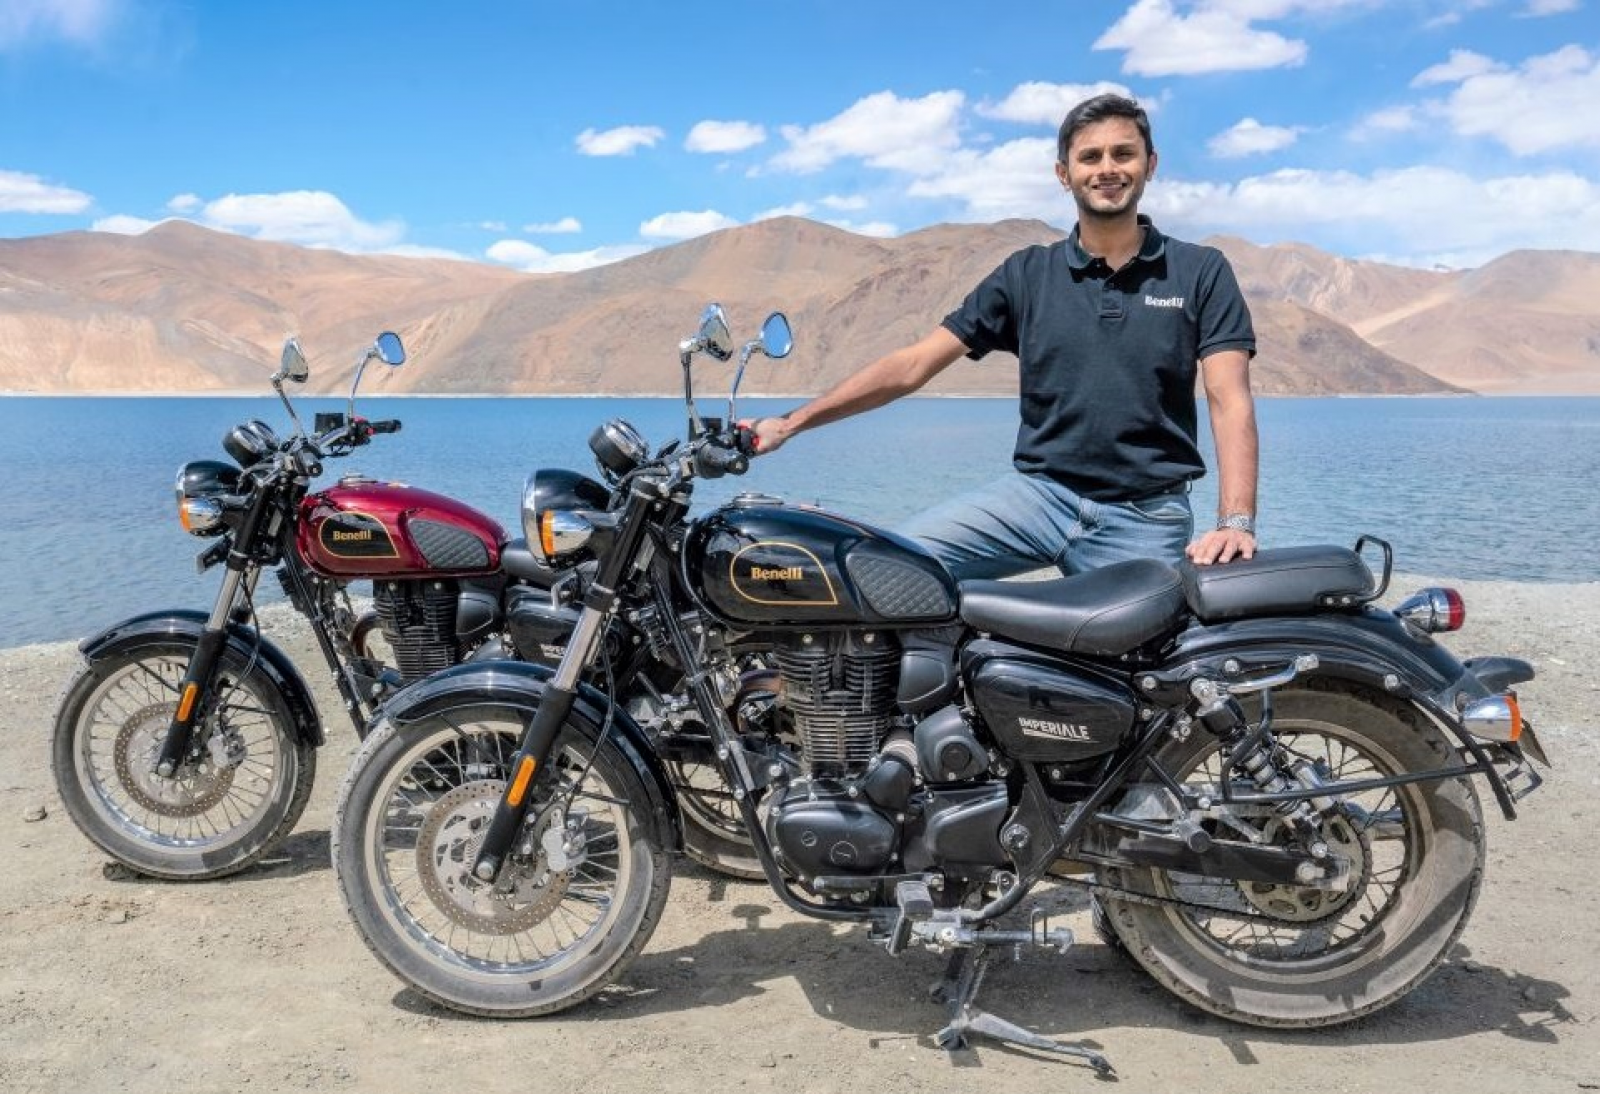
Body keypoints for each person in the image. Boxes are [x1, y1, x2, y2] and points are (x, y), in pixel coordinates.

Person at [748, 93, 1259, 579]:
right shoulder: (1026, 274)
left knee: (1146, 640)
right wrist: (790, 425)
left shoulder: (1199, 271)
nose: (1107, 168)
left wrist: (1235, 522)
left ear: (1150, 164)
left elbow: (1228, 398)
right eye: (1090, 157)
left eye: (1123, 154)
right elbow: (913, 365)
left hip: (1145, 516)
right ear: (1064, 175)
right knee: (887, 574)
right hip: (1038, 500)